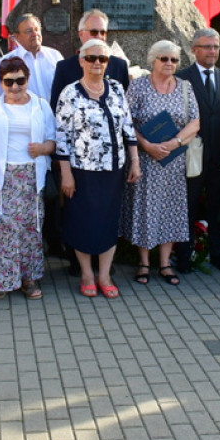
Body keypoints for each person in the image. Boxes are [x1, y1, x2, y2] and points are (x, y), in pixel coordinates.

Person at [54, 39, 140, 298]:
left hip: (114, 170)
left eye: (102, 59)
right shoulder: (69, 93)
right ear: (81, 60)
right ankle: (87, 274)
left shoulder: (115, 88)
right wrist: (66, 173)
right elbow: (61, 136)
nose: (97, 63)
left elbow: (127, 126)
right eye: (91, 58)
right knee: (83, 221)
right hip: (82, 171)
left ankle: (104, 274)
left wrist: (134, 160)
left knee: (108, 221)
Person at [0, 57, 56, 299]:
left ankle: (29, 279)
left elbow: (54, 141)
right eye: (9, 81)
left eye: (20, 80)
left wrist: (42, 148)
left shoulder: (41, 106)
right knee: (3, 230)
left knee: (31, 229)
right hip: (2, 179)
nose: (15, 86)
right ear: (0, 82)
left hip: (32, 177)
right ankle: (2, 280)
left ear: (27, 79)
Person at [122, 40, 201, 287]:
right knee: (145, 210)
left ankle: (165, 263)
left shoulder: (185, 88)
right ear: (153, 60)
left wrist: (175, 143)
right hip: (144, 161)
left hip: (174, 162)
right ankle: (144, 262)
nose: (169, 63)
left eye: (174, 60)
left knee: (171, 210)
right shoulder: (138, 86)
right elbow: (126, 120)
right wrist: (146, 145)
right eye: (164, 58)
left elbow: (195, 122)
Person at [175, 29, 220, 273]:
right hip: (191, 156)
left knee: (217, 207)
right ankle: (184, 255)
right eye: (207, 47)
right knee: (187, 206)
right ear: (194, 49)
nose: (212, 51)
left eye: (216, 47)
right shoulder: (182, 78)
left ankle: (217, 253)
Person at [49, 9, 130, 105]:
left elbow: (126, 104)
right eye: (94, 32)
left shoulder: (119, 65)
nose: (99, 36)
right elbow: (56, 106)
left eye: (103, 32)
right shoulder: (64, 67)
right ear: (81, 34)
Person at [0, 14, 63, 104]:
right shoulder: (7, 61)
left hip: (55, 114)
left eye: (37, 29)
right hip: (24, 115)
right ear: (17, 37)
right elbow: (1, 95)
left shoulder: (55, 56)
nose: (35, 34)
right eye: (29, 31)